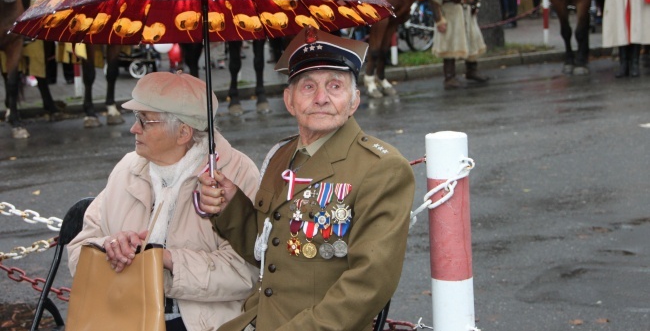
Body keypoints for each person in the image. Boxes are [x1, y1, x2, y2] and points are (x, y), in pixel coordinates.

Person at [198, 27, 416, 331]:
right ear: (290, 101)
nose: (321, 98)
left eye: (335, 86)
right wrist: (229, 204)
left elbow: (369, 284)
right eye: (308, 87)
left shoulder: (382, 168)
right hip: (258, 319)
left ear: (354, 101)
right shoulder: (281, 156)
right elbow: (268, 250)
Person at [67, 71, 260, 331]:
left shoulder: (235, 173)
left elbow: (247, 272)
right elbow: (79, 254)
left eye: (145, 120)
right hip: (123, 319)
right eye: (136, 118)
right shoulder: (127, 169)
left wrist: (165, 261)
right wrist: (109, 247)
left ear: (182, 132)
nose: (133, 128)